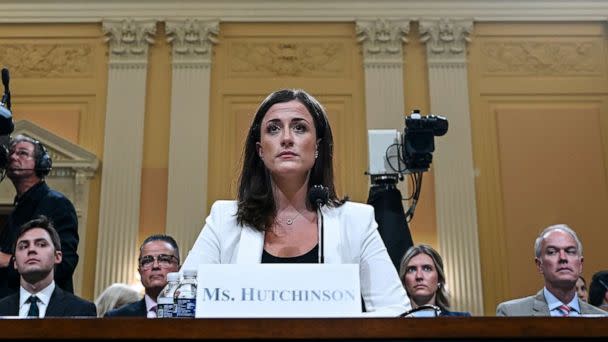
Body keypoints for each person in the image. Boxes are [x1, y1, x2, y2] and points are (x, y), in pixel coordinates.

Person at [182, 89, 410, 316]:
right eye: (273, 128)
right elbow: (181, 301)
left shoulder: (356, 221)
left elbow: (396, 310)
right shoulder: (224, 220)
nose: (287, 138)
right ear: (260, 150)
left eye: (299, 127)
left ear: (318, 146)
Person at [0, 135, 79, 299]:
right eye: (12, 153)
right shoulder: (17, 210)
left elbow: (65, 263)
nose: (13, 157)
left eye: (22, 153)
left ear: (41, 164)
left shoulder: (58, 204)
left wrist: (9, 260)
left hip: (48, 309)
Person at [496, 224, 606, 316]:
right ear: (539, 264)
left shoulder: (602, 318)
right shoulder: (512, 313)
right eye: (552, 252)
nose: (563, 258)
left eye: (570, 251)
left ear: (580, 264)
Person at [0, 216, 95, 317]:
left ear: (57, 256)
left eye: (41, 244)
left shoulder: (82, 310)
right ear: (14, 262)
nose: (31, 249)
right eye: (23, 246)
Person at [105, 234, 180, 317]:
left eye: (164, 260)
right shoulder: (116, 318)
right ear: (139, 271)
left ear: (179, 269)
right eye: (147, 261)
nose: (155, 266)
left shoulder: (195, 314)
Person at [399, 244, 470, 317]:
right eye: (412, 269)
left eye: (427, 269)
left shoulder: (463, 320)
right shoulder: (393, 323)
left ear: (439, 278)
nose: (419, 276)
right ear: (404, 281)